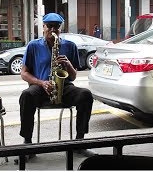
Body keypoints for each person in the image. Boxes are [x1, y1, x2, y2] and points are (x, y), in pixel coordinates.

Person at [18, 13, 95, 158]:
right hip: (41, 86)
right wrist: (41, 82)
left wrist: (68, 64)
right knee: (26, 95)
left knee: (85, 95)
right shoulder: (33, 46)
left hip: (64, 86)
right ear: (43, 27)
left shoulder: (70, 46)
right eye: (49, 26)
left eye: (57, 27)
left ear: (60, 29)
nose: (53, 29)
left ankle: (80, 142)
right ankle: (27, 143)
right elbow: (24, 73)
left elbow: (73, 76)